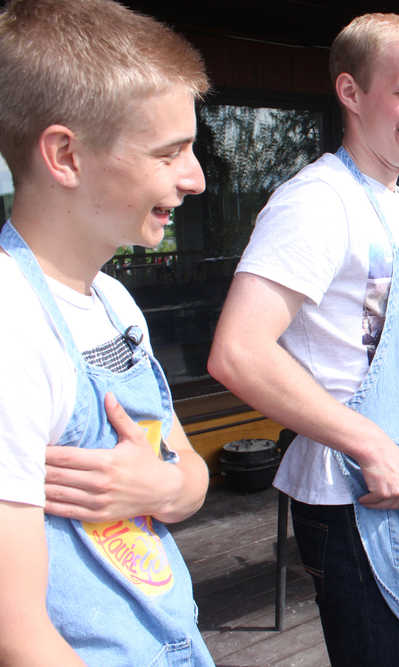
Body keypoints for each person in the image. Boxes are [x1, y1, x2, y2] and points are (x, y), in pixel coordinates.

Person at [207, 13, 399, 666]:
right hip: (353, 493)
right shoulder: (314, 203)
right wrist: (370, 441)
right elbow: (238, 350)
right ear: (350, 91)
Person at [0, 1, 213, 664]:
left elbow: (191, 474)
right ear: (65, 155)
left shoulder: (114, 300)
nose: (196, 177)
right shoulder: (12, 322)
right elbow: (18, 634)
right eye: (169, 152)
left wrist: (159, 488)